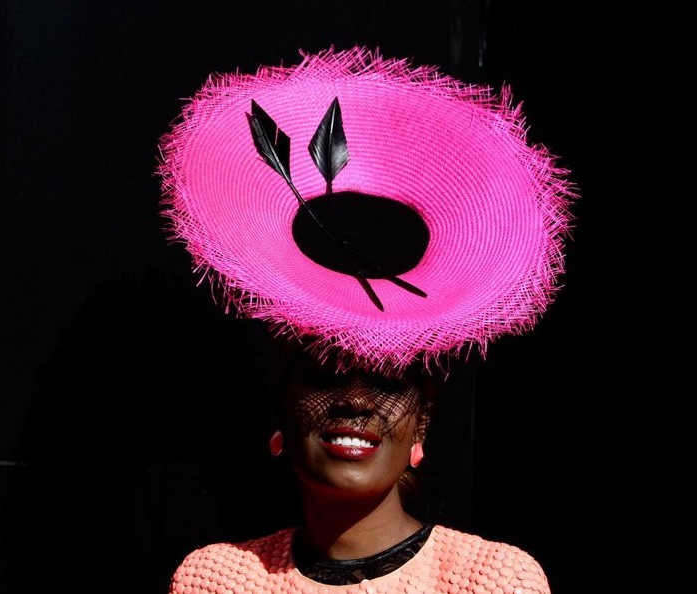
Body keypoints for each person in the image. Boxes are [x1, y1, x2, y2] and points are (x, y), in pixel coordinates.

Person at [157, 45, 576, 594]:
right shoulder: (220, 580)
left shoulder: (491, 581)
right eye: (325, 374)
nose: (355, 401)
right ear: (280, 407)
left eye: (385, 381)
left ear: (422, 423)